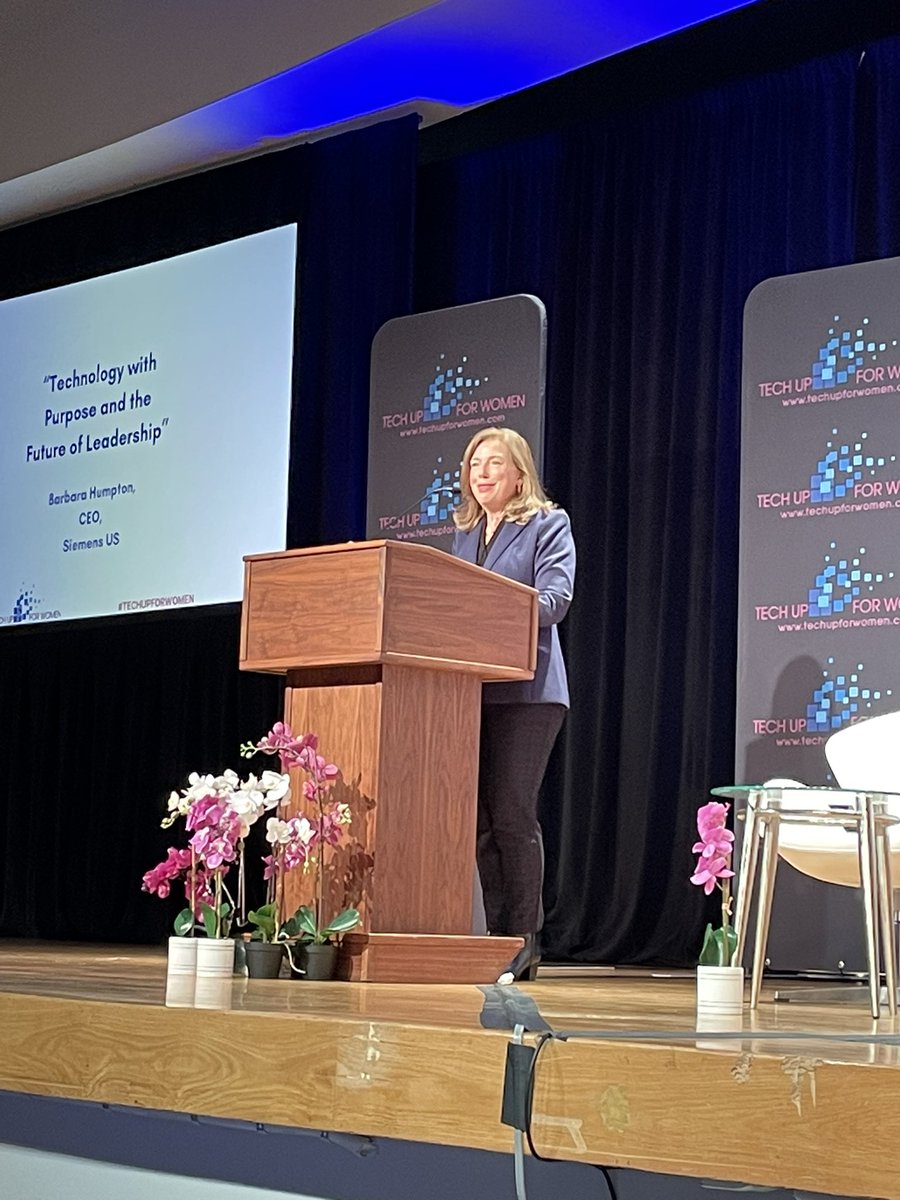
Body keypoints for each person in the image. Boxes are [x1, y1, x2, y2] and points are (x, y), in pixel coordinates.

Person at [451, 426, 575, 983]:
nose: (481, 473)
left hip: (527, 692)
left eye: (493, 463)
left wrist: (488, 606)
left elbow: (553, 601)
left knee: (512, 813)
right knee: (478, 820)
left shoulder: (548, 524)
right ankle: (496, 936)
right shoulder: (465, 537)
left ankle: (524, 938)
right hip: (470, 691)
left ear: (519, 473)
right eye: (474, 464)